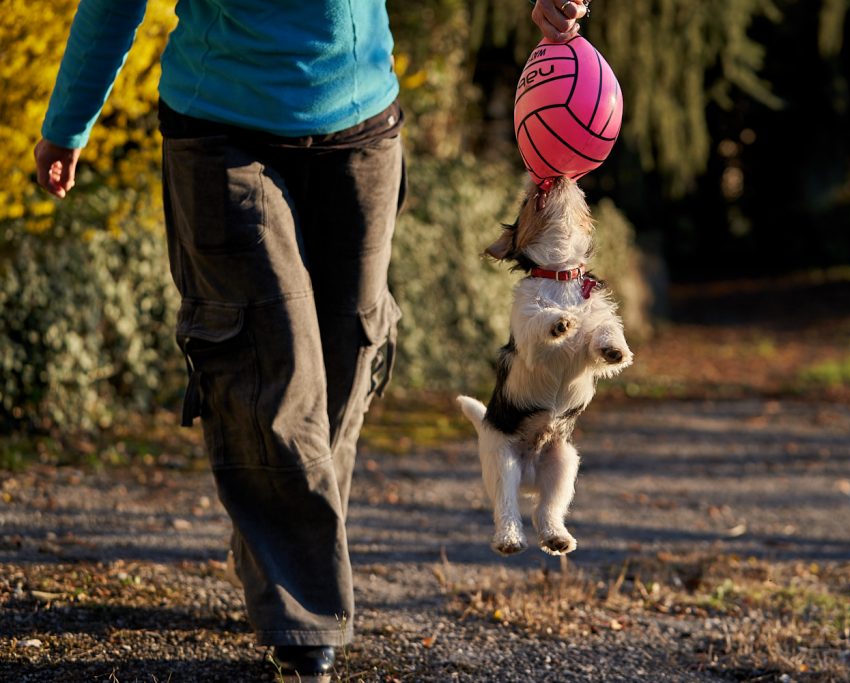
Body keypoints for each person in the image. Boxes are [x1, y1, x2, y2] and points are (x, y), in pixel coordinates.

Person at [34, 0, 589, 678]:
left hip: (359, 128)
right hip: (220, 131)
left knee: (344, 365)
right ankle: (304, 620)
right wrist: (68, 120)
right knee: (271, 363)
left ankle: (274, 549)